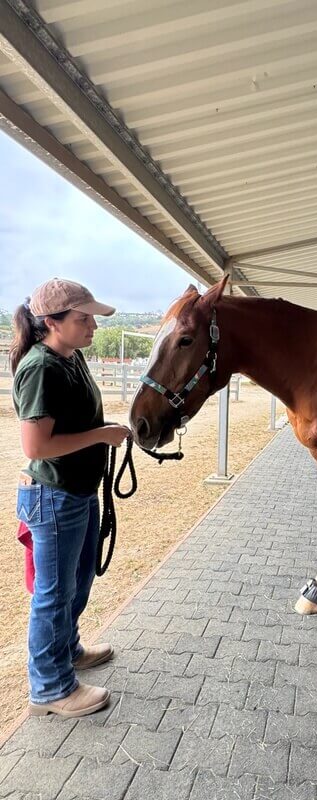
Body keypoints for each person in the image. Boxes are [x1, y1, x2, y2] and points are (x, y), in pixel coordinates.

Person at [11, 278, 130, 717]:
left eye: (92, 318)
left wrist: (101, 434)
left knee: (77, 583)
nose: (92, 326)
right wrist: (101, 435)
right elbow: (36, 447)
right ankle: (50, 687)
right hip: (55, 496)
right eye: (83, 319)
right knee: (54, 593)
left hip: (76, 492)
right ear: (52, 323)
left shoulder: (70, 357)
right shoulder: (41, 367)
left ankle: (68, 649)